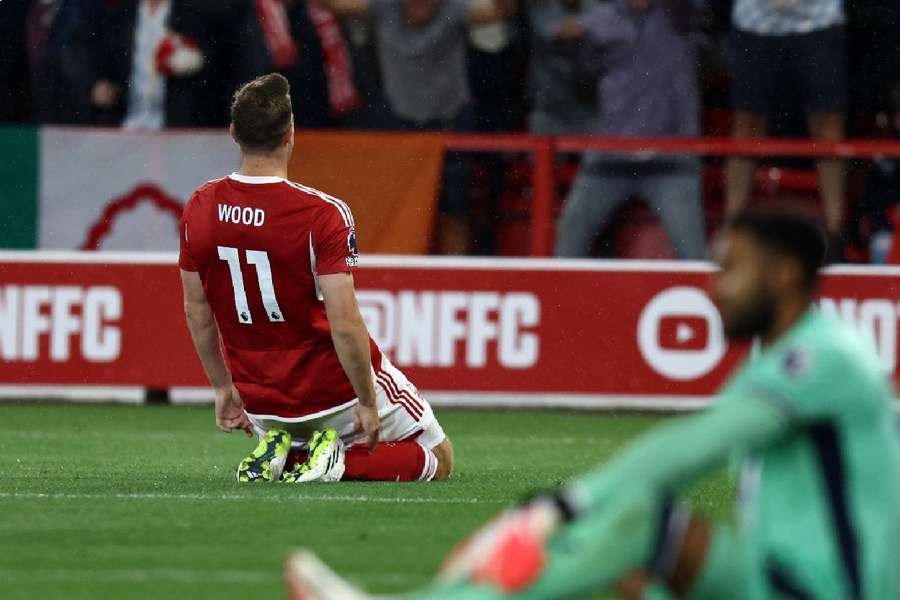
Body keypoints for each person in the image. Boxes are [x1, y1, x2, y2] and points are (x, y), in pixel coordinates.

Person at [285, 209, 900, 598]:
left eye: (732, 269)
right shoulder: (785, 360)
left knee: (638, 524)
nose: (715, 287)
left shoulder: (821, 359)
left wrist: (568, 503)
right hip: (774, 579)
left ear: (786, 274)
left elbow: (693, 449)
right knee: (628, 562)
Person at [179, 73, 453, 484]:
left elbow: (197, 309)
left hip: (262, 402)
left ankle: (284, 452)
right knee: (438, 457)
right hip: (331, 393)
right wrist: (366, 400)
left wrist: (223, 388)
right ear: (291, 133)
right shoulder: (322, 214)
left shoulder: (200, 206)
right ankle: (334, 461)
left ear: (233, 132)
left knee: (290, 427)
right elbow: (345, 322)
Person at [322, 0, 516, 255]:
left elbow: (503, 10)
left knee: (454, 210)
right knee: (394, 208)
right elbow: (328, 4)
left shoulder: (456, 9)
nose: (419, 4)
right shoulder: (382, 7)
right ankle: (395, 274)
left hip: (450, 125)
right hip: (399, 127)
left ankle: (453, 277)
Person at [554, 0, 707, 260]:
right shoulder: (600, 17)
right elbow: (570, 50)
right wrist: (571, 42)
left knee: (696, 259)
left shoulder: (681, 13)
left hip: (670, 161)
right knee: (567, 244)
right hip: (608, 160)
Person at [724, 0, 848, 260]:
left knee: (827, 125)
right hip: (754, 21)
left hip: (819, 19)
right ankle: (731, 229)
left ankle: (835, 233)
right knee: (747, 125)